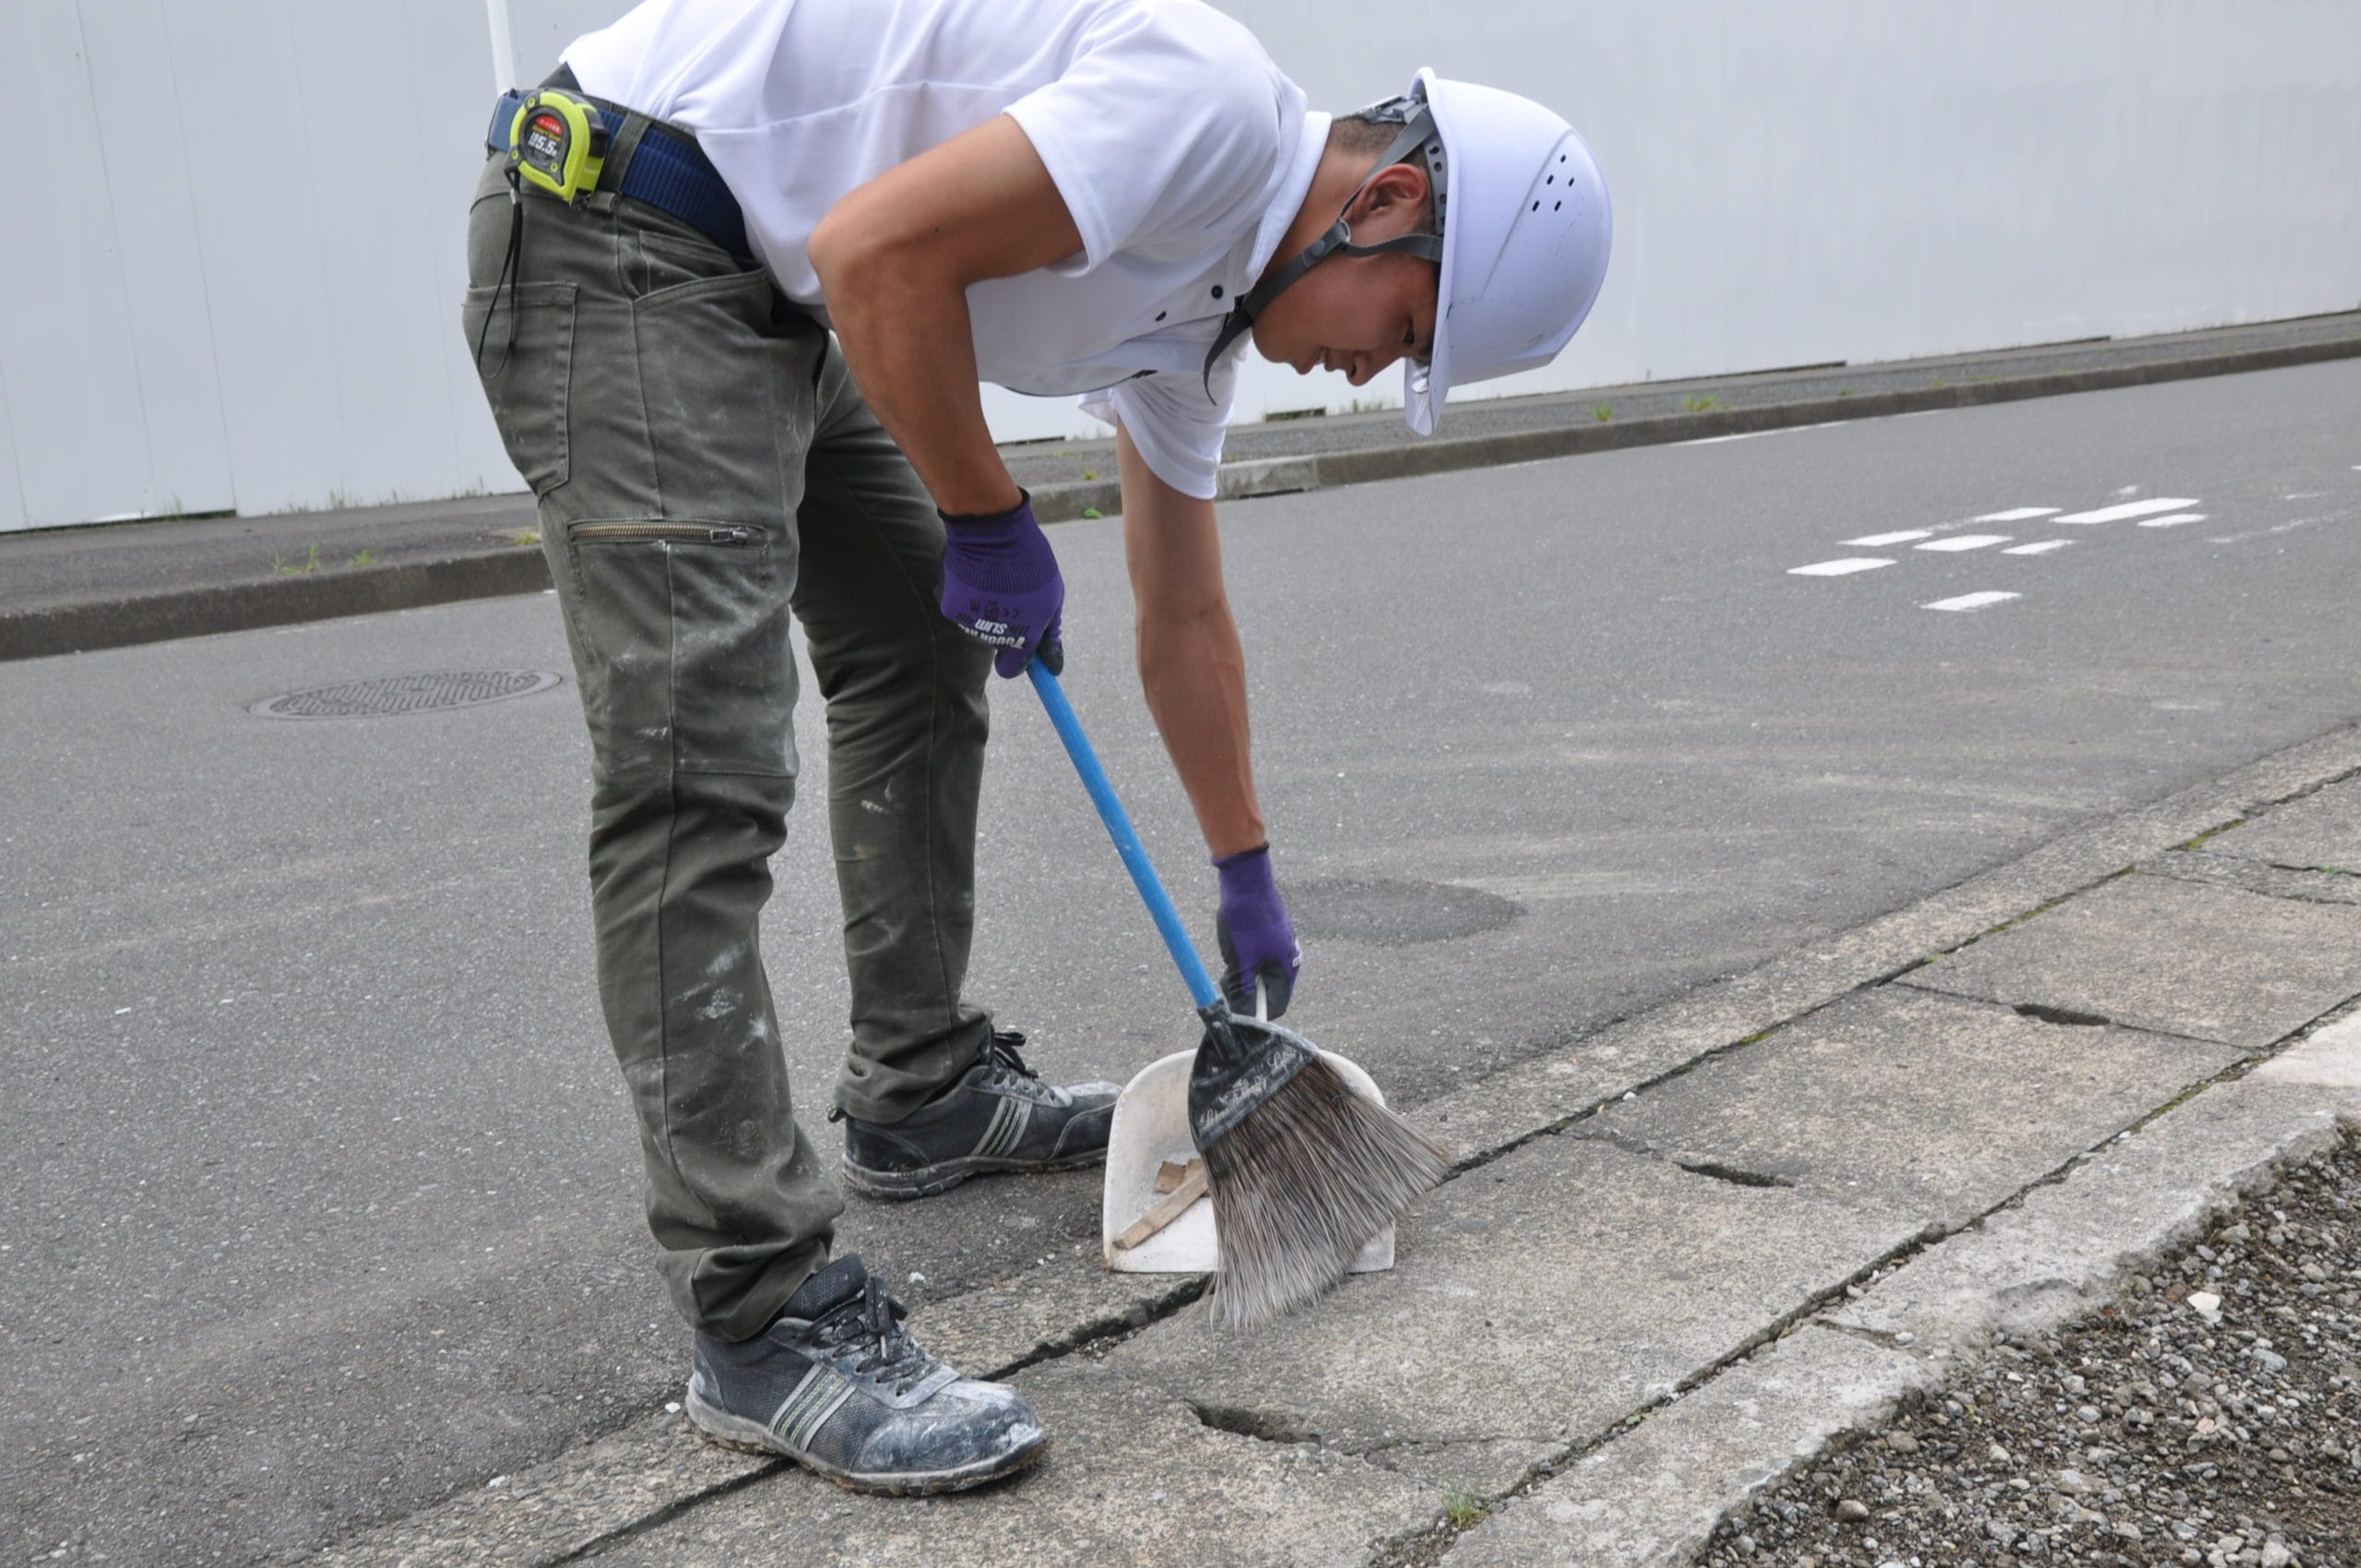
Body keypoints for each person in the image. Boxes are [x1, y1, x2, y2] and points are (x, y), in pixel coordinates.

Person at [462, 0, 1608, 1496]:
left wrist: (1245, 870)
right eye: (1398, 334)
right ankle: (758, 1315)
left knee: (920, 647)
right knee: (702, 767)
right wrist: (991, 516)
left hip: (778, 279)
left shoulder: (1198, 332)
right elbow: (882, 256)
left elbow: (1184, 611)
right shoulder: (1204, 107)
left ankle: (919, 1089)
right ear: (1387, 204)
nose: (1360, 373)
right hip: (627, 220)